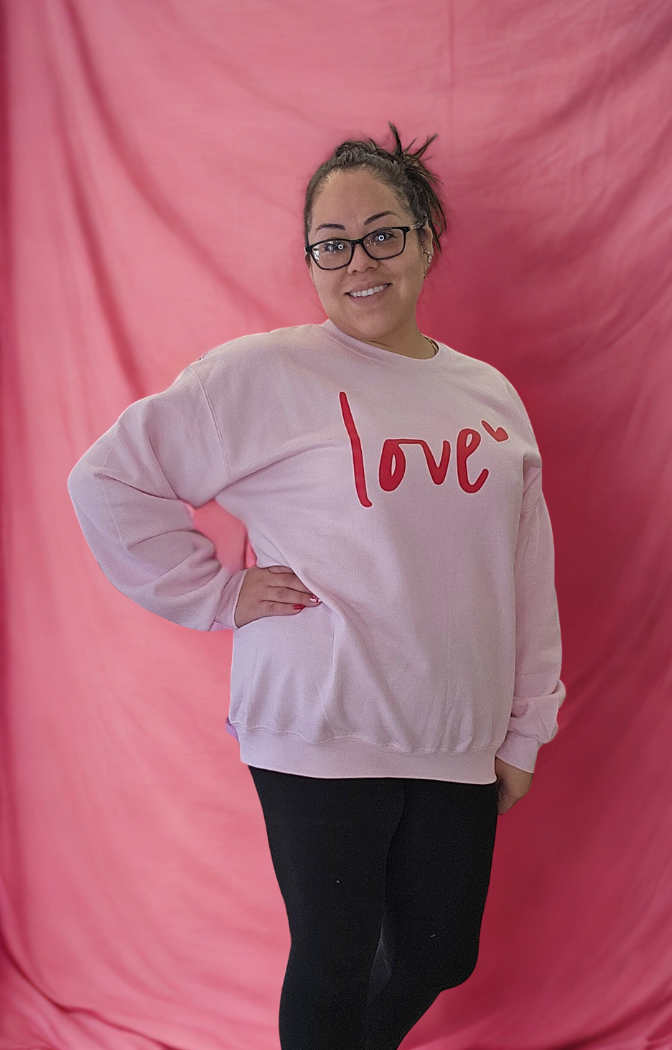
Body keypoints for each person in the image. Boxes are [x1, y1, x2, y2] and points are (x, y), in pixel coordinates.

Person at [67, 122, 566, 1050]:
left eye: (383, 232)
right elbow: (106, 481)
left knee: (438, 953)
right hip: (317, 728)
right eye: (329, 245)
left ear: (424, 235)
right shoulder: (265, 373)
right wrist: (218, 594)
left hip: (454, 728)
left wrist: (526, 722)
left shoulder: (490, 396)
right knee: (332, 961)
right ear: (310, 260)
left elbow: (527, 570)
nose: (357, 261)